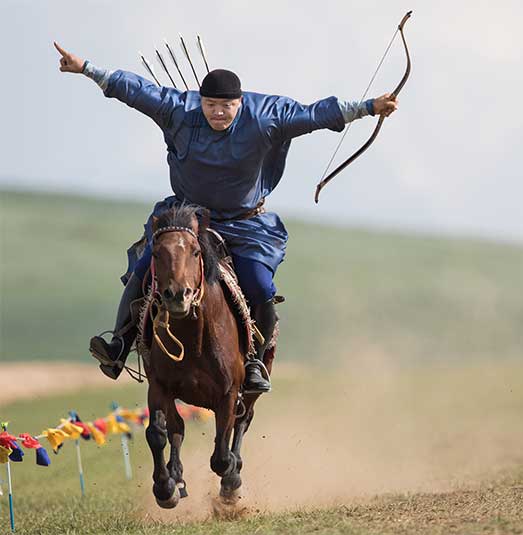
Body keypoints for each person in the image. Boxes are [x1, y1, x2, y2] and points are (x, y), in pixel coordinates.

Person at [54, 42, 399, 393]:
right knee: (145, 270)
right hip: (189, 217)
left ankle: (254, 363)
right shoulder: (178, 111)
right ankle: (119, 346)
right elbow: (134, 90)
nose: (217, 113)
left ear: (240, 103)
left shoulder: (267, 116)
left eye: (226, 106)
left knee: (260, 286)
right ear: (200, 101)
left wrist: (369, 107)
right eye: (210, 105)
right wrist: (86, 69)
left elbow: (316, 114)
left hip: (246, 224)